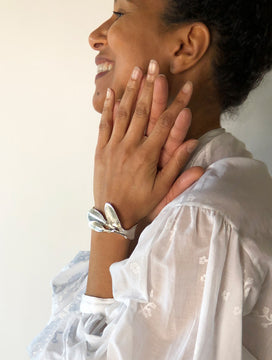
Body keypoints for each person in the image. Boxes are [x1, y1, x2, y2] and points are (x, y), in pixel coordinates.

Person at [28, 0, 272, 358]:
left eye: (121, 13)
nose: (96, 36)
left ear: (187, 45)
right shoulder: (233, 186)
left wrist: (110, 224)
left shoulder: (200, 221)